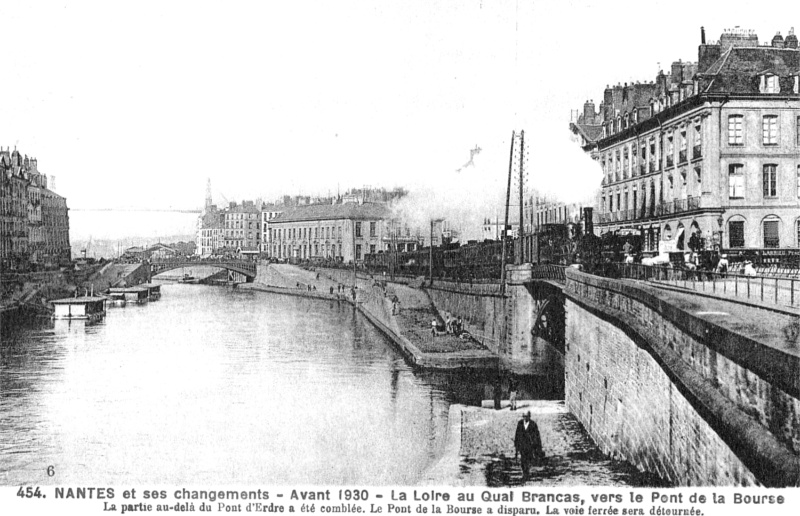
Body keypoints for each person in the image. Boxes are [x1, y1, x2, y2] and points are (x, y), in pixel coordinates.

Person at [514, 411, 544, 480]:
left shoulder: (533, 424)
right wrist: (516, 444)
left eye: (526, 416)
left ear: (529, 417)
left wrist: (537, 446)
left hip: (530, 446)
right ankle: (525, 473)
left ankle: (526, 472)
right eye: (524, 416)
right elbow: (517, 434)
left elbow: (537, 436)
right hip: (522, 445)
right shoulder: (520, 423)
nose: (525, 418)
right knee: (523, 460)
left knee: (528, 459)